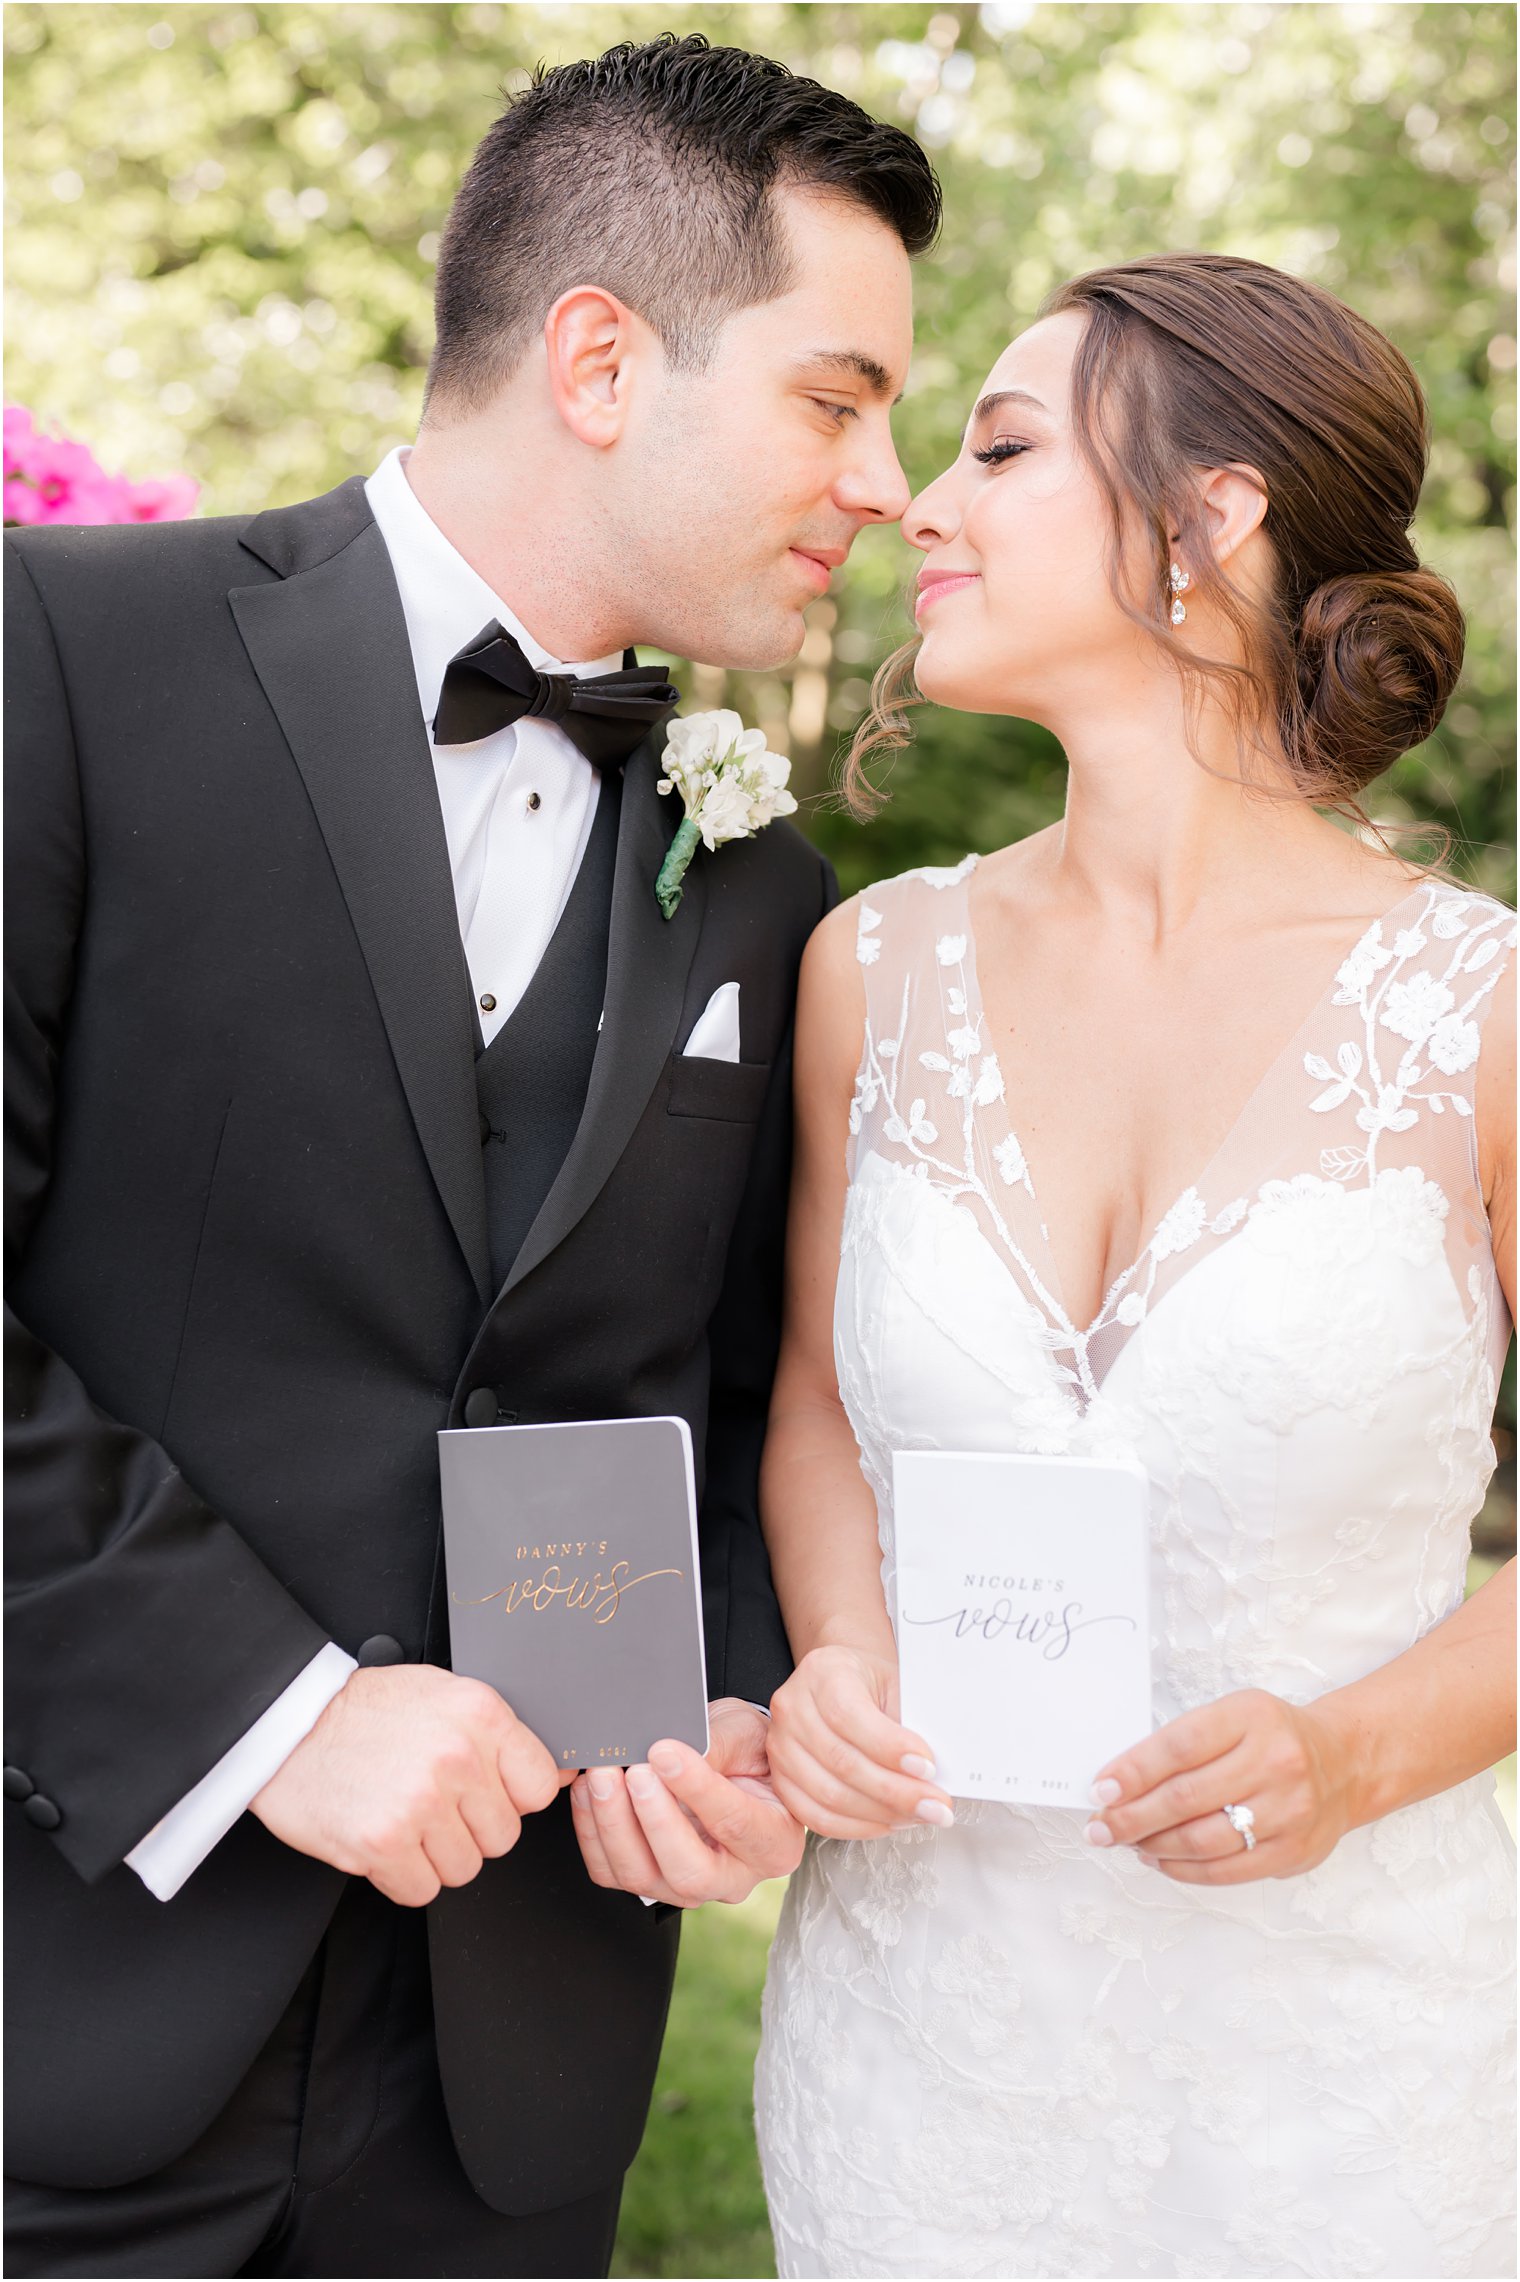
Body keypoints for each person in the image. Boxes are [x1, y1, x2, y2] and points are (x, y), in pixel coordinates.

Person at [3, 35, 937, 2279]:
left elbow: (698, 1398)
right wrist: (276, 1717)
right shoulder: (63, 654)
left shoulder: (759, 883)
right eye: (837, 396)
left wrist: (713, 1690)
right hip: (61, 1999)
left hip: (508, 2092)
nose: (888, 483)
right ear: (600, 359)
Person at [755, 253, 1517, 2279]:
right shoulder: (871, 968)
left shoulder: (1481, 1009)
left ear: (1216, 516)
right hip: (922, 2036)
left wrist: (1356, 1752)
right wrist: (837, 1656)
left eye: (1000, 449)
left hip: (1354, 2067)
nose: (922, 497)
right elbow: (822, 1405)